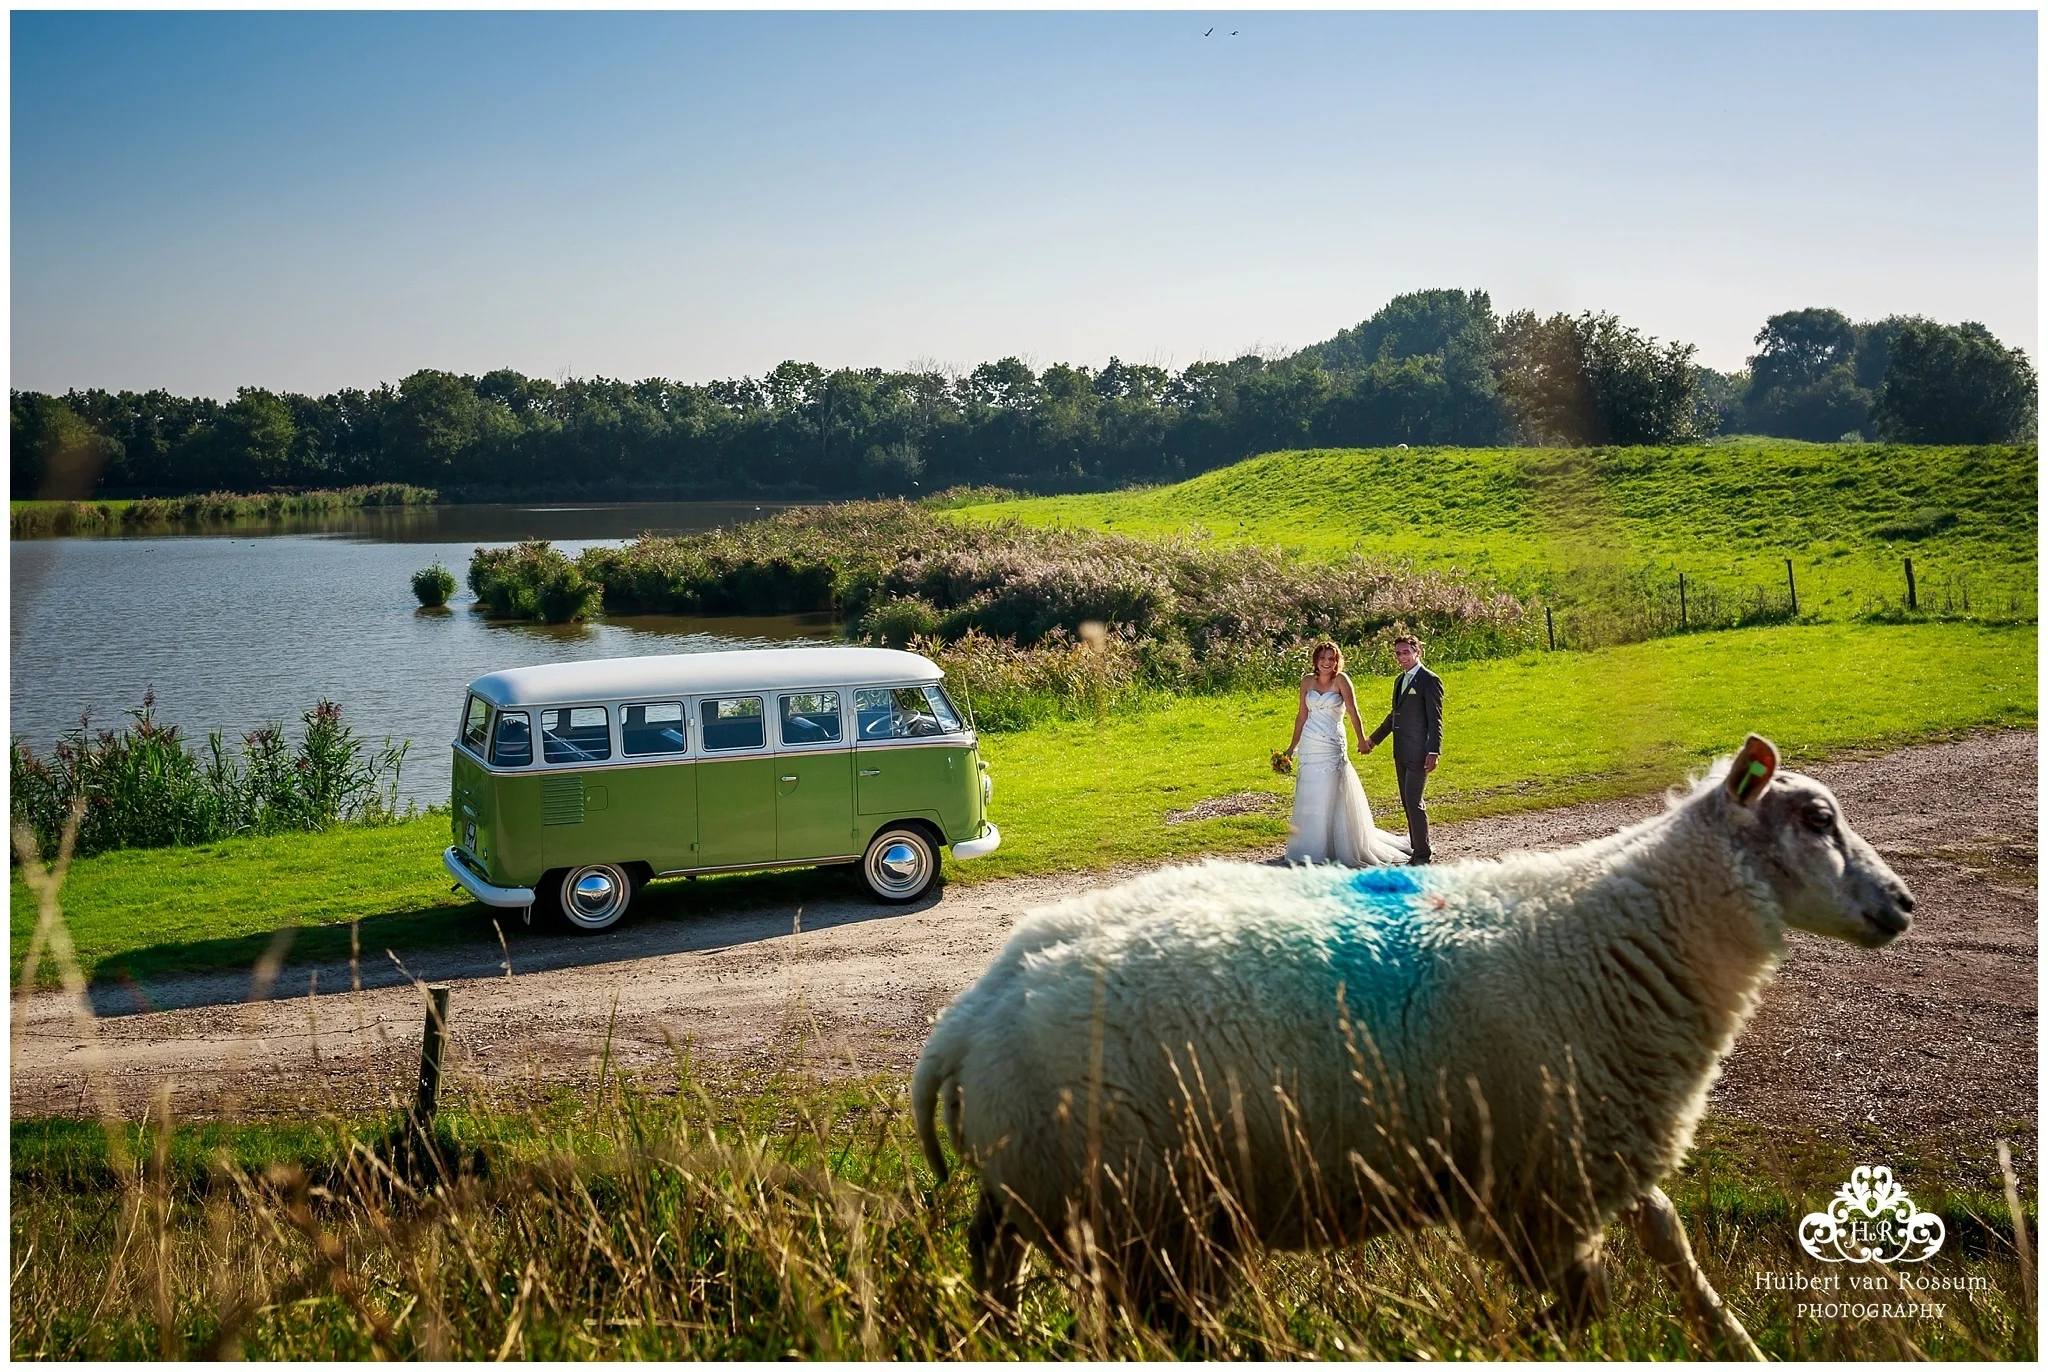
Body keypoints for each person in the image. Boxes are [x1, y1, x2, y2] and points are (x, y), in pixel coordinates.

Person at [1280, 641, 1412, 867]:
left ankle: (1337, 845)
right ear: (1315, 659)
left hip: (1332, 742)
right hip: (1311, 743)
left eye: (1331, 659)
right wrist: (1291, 748)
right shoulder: (1306, 681)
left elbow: (1353, 712)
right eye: (1323, 658)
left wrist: (1362, 740)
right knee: (1310, 793)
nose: (1326, 663)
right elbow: (1301, 716)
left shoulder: (1342, 680)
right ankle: (1309, 846)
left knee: (1331, 792)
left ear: (1336, 661)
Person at [1364, 633, 1443, 864]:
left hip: (1419, 752)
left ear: (1417, 652)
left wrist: (1433, 751)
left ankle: (1422, 855)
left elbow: (1435, 719)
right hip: (1401, 751)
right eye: (1398, 653)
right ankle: (1417, 848)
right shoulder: (1400, 680)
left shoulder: (1430, 680)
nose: (1401, 657)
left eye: (1406, 652)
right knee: (1407, 802)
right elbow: (1394, 716)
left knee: (1414, 802)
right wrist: (1374, 740)